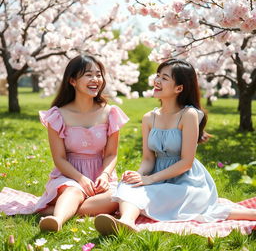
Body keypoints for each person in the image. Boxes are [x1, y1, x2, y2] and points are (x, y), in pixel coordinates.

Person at [94, 58, 256, 236]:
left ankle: (126, 221)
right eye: (157, 75)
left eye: (164, 78)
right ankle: (126, 222)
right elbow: (148, 159)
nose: (157, 81)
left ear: (179, 88)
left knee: (205, 209)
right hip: (157, 176)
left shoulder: (189, 115)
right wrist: (139, 175)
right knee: (127, 184)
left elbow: (186, 162)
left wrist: (151, 179)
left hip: (187, 182)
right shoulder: (149, 118)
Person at [36, 55, 129, 231]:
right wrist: (80, 179)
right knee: (73, 191)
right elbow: (59, 159)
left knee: (116, 198)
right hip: (69, 174)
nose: (95, 79)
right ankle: (57, 220)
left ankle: (53, 211)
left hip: (99, 174)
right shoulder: (57, 115)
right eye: (88, 75)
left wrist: (105, 175)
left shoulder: (111, 113)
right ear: (72, 81)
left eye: (98, 74)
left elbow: (111, 154)